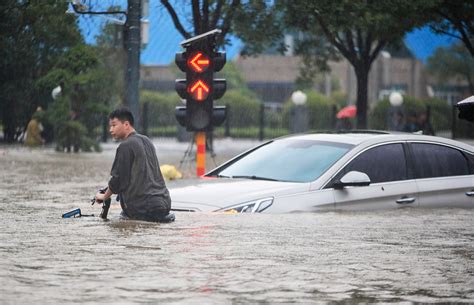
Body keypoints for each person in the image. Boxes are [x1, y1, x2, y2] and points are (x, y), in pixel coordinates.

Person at [94, 108, 173, 222]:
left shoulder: (125, 146)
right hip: (164, 204)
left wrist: (103, 196)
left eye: (114, 125)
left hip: (142, 208)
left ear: (126, 124)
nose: (110, 130)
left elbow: (118, 180)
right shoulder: (147, 141)